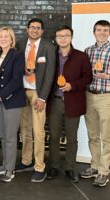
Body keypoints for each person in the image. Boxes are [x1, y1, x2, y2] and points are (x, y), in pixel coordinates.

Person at [46, 25, 92, 183]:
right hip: (55, 102)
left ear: (71, 37)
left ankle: (70, 168)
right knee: (53, 136)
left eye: (66, 35)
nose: (63, 38)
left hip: (73, 102)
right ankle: (54, 166)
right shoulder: (51, 54)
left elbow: (88, 78)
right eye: (59, 36)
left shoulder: (81, 56)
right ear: (56, 38)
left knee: (72, 138)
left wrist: (72, 85)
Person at [15, 18, 56, 182]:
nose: (35, 30)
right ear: (27, 29)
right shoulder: (20, 43)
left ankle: (40, 166)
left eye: (38, 28)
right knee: (25, 130)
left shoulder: (48, 47)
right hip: (22, 92)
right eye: (32, 27)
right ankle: (26, 161)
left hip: (37, 94)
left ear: (42, 31)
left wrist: (43, 97)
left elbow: (50, 74)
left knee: (38, 132)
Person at [0, 26, 26, 182]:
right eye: (0, 36)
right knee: (3, 135)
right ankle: (5, 164)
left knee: (10, 136)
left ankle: (10, 170)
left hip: (12, 101)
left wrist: (1, 96)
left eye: (6, 36)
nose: (3, 39)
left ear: (12, 39)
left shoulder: (17, 55)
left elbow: (17, 80)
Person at [80, 20, 110, 187]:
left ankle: (104, 171)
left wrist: (108, 76)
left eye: (105, 30)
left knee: (106, 136)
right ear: (94, 32)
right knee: (93, 135)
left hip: (106, 97)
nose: (102, 33)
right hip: (89, 96)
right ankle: (95, 166)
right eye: (99, 30)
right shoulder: (88, 51)